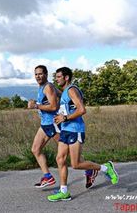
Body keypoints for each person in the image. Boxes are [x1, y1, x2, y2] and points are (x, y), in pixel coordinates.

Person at [47, 67, 119, 202]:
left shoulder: (72, 90)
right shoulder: (64, 93)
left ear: (66, 77)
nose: (56, 79)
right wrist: (59, 117)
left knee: (76, 164)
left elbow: (82, 109)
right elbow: (68, 109)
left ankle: (106, 168)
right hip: (65, 129)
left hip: (75, 129)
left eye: (58, 77)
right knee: (60, 159)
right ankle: (64, 192)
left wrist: (66, 118)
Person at [27, 65, 60, 188]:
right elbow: (61, 95)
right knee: (35, 150)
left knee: (68, 152)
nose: (38, 76)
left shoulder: (48, 87)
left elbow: (53, 107)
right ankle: (48, 177)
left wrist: (35, 106)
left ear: (46, 74)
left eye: (40, 74)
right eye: (36, 74)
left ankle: (89, 169)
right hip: (45, 124)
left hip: (53, 124)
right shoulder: (43, 87)